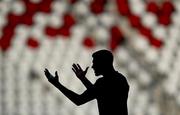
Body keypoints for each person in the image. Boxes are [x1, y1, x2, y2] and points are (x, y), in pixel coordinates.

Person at [44, 49, 129, 115]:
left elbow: (98, 92)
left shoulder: (118, 81)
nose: (92, 66)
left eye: (95, 63)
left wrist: (58, 84)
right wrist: (57, 84)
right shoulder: (108, 81)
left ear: (103, 63)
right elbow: (80, 99)